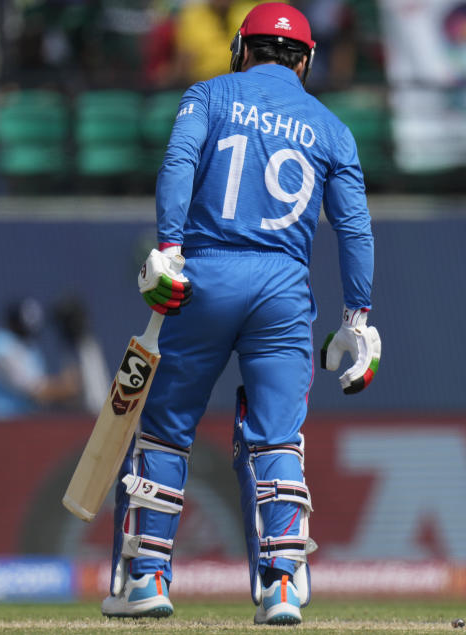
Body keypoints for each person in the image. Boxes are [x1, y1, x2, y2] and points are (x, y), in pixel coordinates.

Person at [102, 3, 380, 626]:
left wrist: (169, 246)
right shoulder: (333, 128)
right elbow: (355, 228)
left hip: (203, 275)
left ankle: (146, 578)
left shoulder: (207, 94)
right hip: (283, 291)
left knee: (166, 427)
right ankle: (282, 584)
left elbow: (178, 164)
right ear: (306, 60)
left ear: (240, 49)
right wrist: (358, 314)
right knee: (277, 437)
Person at [0, 297, 80, 419]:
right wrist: (66, 389)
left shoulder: (31, 348)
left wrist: (70, 345)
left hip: (26, 424)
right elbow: (35, 390)